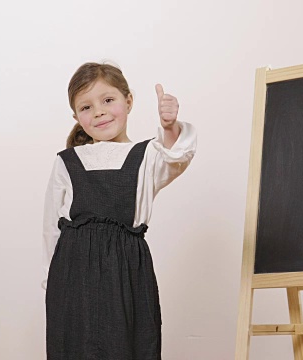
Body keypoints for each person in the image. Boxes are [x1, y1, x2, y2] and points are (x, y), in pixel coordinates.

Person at [42, 62, 196, 359]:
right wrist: (53, 285)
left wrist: (170, 127)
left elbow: (178, 156)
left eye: (108, 100)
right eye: (86, 107)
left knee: (130, 347)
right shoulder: (66, 161)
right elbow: (51, 228)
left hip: (127, 275)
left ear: (129, 101)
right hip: (72, 277)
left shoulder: (150, 155)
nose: (98, 111)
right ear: (76, 117)